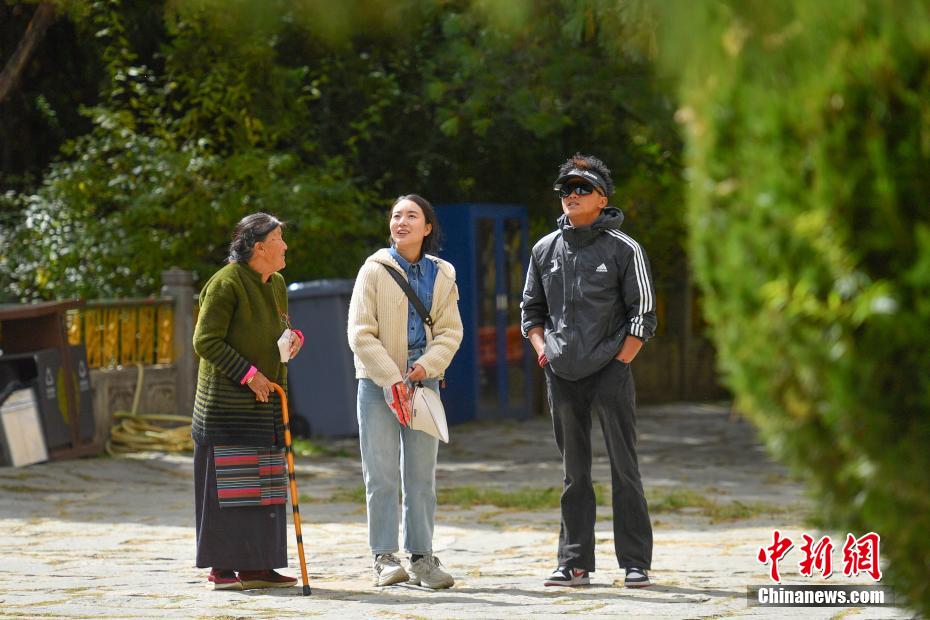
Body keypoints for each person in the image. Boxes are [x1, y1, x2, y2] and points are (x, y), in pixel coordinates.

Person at [521, 153, 657, 588]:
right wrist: (544, 352)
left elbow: (643, 315)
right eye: (566, 189)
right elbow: (531, 312)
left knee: (624, 467)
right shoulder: (544, 249)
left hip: (610, 370)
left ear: (602, 199)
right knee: (574, 472)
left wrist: (621, 362)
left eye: (582, 188)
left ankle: (635, 562)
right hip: (561, 373)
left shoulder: (624, 248)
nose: (572, 195)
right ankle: (573, 563)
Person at [347, 194, 463, 589]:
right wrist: (392, 377)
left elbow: (450, 332)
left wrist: (425, 367)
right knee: (380, 475)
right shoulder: (373, 270)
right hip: (377, 383)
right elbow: (360, 333)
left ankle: (422, 558)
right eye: (396, 215)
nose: (401, 221)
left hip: (423, 384)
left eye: (411, 216)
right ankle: (383, 557)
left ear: (427, 227)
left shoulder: (443, 274)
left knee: (421, 477)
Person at [191, 212, 305, 591]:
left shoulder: (277, 284)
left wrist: (292, 338)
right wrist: (248, 373)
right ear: (259, 247)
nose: (285, 246)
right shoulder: (225, 283)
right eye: (278, 239)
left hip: (266, 405)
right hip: (226, 408)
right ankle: (222, 569)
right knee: (229, 489)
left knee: (264, 488)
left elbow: (276, 329)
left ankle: (258, 566)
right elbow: (205, 340)